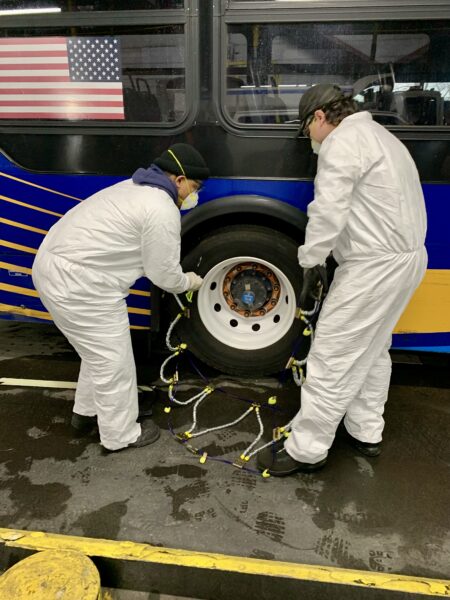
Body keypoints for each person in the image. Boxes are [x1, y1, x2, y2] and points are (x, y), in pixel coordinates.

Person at [257, 84, 427, 476]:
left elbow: (328, 210)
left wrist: (310, 261)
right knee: (371, 349)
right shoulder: (383, 137)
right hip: (408, 259)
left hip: (373, 267)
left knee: (331, 355)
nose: (309, 141)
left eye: (306, 131)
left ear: (319, 117)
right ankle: (366, 430)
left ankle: (306, 449)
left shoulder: (342, 142)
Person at [32, 143, 209, 452]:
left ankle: (85, 415)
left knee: (99, 353)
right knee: (114, 362)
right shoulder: (161, 208)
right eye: (193, 187)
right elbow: (163, 275)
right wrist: (191, 282)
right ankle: (121, 435)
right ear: (178, 180)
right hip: (79, 282)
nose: (193, 196)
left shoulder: (135, 187)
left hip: (63, 270)